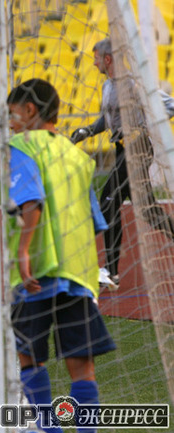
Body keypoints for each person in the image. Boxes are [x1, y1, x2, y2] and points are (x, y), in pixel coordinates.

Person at [8, 79, 116, 432]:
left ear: (29, 110)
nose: (9, 123)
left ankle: (48, 428)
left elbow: (31, 201)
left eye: (12, 114)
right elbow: (95, 221)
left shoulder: (21, 145)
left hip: (37, 271)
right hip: (78, 271)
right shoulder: (78, 156)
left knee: (29, 357)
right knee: (82, 365)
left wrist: (24, 251)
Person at [71, 38, 174, 288]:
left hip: (136, 148)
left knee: (108, 202)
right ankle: (111, 271)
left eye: (96, 58)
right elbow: (108, 120)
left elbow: (170, 105)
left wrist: (149, 124)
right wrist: (87, 131)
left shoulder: (134, 84)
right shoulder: (108, 86)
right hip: (122, 150)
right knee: (147, 210)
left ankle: (111, 272)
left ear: (108, 59)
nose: (93, 63)